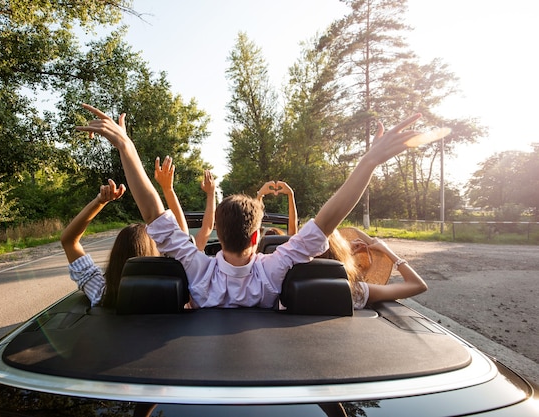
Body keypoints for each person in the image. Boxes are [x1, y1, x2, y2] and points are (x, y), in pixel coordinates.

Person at [76, 103, 423, 309]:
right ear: (257, 238)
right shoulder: (273, 271)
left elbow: (152, 211)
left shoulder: (198, 271)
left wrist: (127, 148)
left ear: (218, 234)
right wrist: (369, 162)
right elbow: (327, 222)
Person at [60, 179, 159, 308]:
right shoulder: (175, 293)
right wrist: (168, 190)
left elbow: (69, 241)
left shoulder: (102, 293)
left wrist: (100, 202)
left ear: (115, 257)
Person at [318, 228, 428, 309]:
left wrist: (344, 250)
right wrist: (387, 250)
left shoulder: (301, 279)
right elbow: (418, 285)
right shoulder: (355, 291)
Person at [154, 155, 216, 251]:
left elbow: (207, 227)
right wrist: (211, 193)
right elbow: (207, 227)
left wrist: (167, 189)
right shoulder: (188, 258)